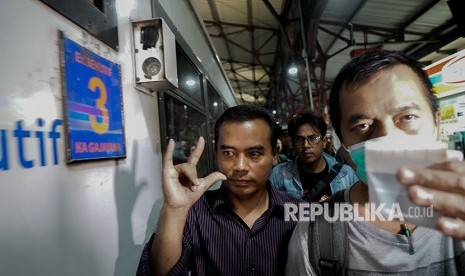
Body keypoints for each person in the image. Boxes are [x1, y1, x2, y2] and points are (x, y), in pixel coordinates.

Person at [286, 50, 465, 275]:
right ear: (343, 143)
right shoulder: (313, 234)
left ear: (437, 125)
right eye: (362, 126)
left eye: (407, 117)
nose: (387, 138)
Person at [136, 105, 303, 276]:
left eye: (254, 154)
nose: (240, 166)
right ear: (216, 154)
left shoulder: (300, 214)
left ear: (274, 154)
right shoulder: (194, 212)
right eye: (229, 153)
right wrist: (174, 210)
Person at [269, 111, 358, 202]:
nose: (306, 145)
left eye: (313, 138)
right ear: (293, 143)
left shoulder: (347, 174)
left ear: (323, 141)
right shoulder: (278, 175)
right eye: (299, 139)